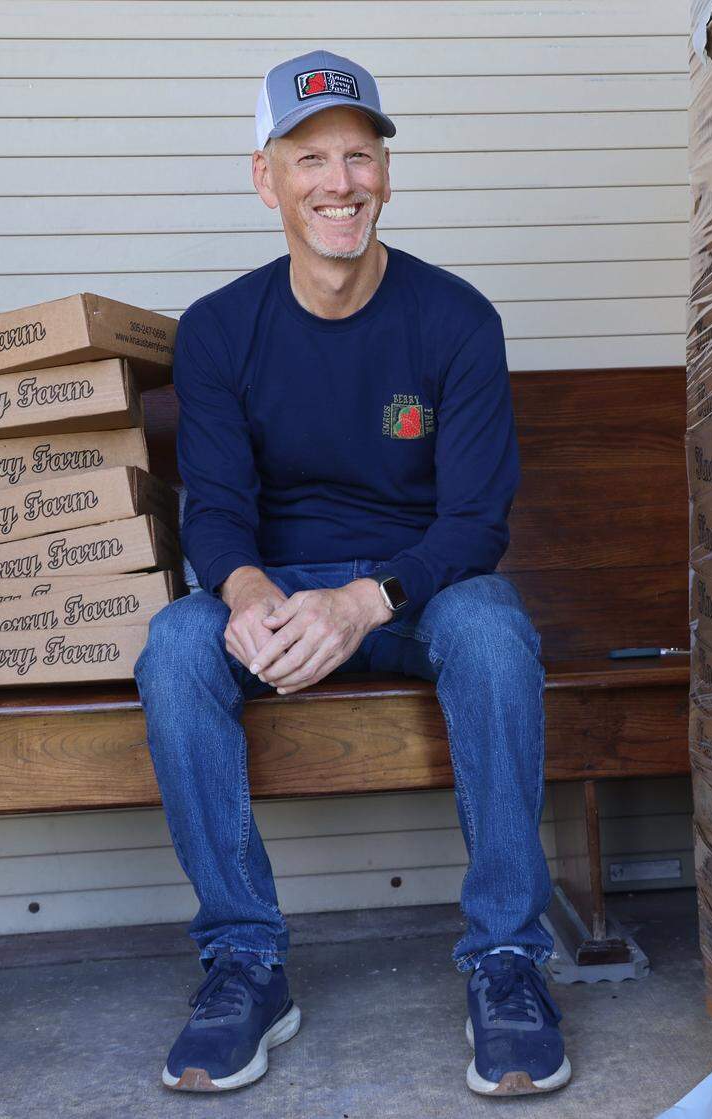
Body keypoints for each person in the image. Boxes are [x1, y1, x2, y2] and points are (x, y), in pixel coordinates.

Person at [133, 49, 570, 1098]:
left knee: (496, 630)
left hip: (416, 592)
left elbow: (474, 523)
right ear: (266, 178)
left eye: (359, 156)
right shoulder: (220, 330)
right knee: (175, 644)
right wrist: (247, 597)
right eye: (311, 158)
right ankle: (245, 960)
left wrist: (367, 598)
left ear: (386, 172)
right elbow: (220, 510)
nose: (340, 182)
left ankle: (507, 959)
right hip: (275, 592)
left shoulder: (454, 319)